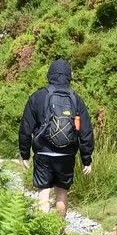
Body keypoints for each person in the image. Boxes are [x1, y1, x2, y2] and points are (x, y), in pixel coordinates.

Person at [17, 57, 95, 216]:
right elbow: (86, 131)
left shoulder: (38, 96)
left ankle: (44, 232)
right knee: (62, 192)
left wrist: (25, 154)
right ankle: (60, 231)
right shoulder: (76, 99)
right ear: (69, 76)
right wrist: (87, 159)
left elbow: (25, 128)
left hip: (43, 153)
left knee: (44, 191)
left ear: (50, 74)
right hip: (66, 155)